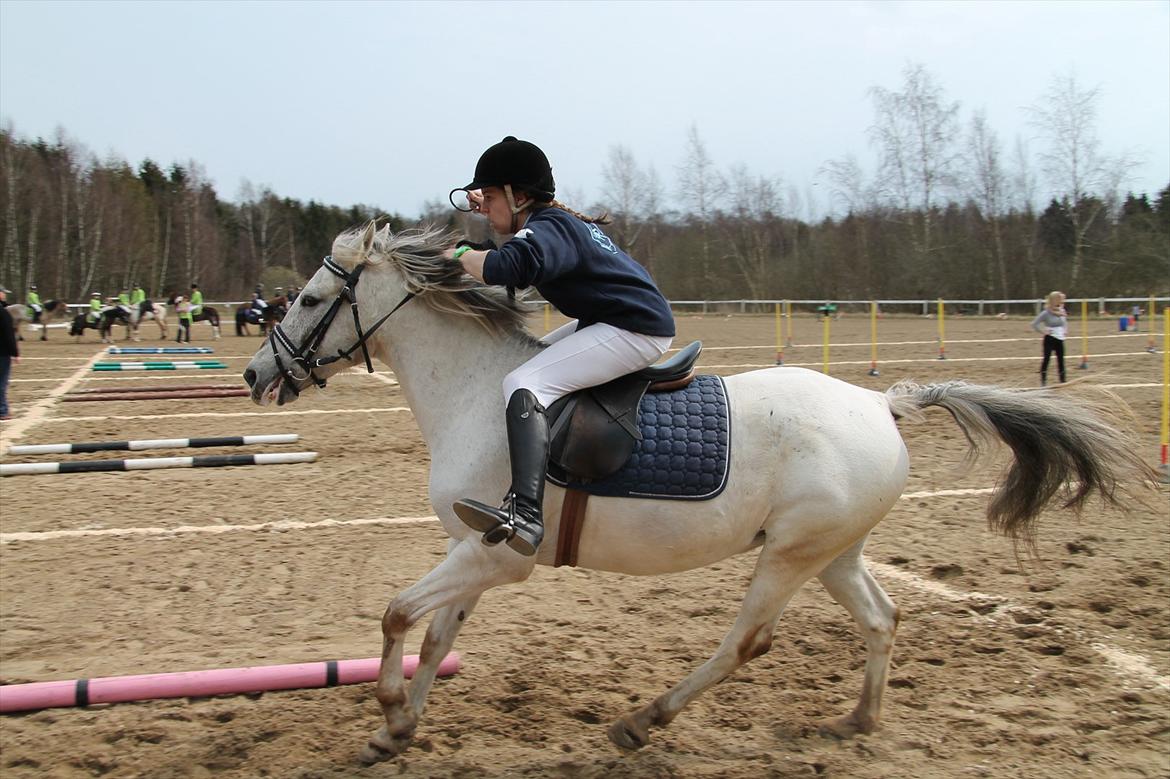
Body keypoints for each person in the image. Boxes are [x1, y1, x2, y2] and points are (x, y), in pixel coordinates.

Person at [445, 136, 675, 556]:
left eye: (491, 197)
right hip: (616, 321)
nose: (485, 206)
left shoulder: (551, 227)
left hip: (635, 329)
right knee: (524, 366)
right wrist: (486, 220)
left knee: (523, 383)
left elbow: (508, 267)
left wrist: (460, 252)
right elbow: (510, 254)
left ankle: (526, 515)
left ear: (518, 197)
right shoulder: (550, 224)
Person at [1031, 291, 1068, 385]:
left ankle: (1063, 381)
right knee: (1046, 360)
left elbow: (1064, 322)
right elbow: (1034, 324)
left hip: (1060, 340)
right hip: (1049, 339)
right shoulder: (1046, 313)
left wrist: (1065, 330)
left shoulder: (1062, 311)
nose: (1061, 301)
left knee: (1061, 361)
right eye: (1059, 299)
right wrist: (1043, 331)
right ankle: (1043, 381)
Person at [0, 286, 19, 420]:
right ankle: (2, 410)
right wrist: (15, 353)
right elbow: (9, 334)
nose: (4, 295)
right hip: (2, 353)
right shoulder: (3, 313)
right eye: (3, 293)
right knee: (2, 382)